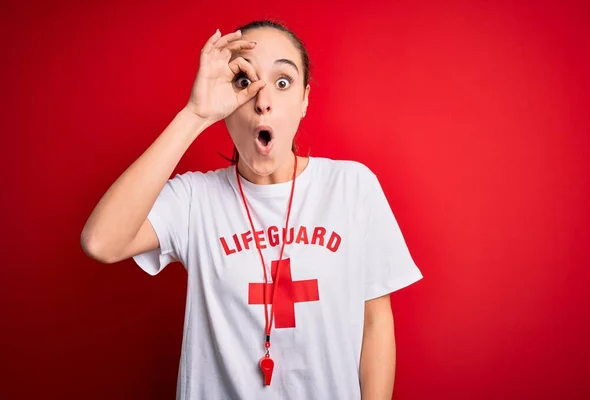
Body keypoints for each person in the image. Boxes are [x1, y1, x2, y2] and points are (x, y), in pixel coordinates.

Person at [81, 20, 423, 400]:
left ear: (305, 99)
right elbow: (101, 242)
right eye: (245, 82)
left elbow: (375, 321)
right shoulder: (196, 199)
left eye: (282, 82)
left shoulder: (352, 187)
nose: (263, 101)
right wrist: (195, 115)